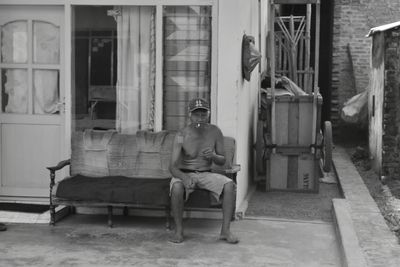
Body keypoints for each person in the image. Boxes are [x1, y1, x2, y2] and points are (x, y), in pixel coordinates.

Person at [169, 98, 239, 244]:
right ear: (189, 115)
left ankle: (225, 231)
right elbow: (172, 167)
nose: (199, 118)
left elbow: (223, 161)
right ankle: (178, 231)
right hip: (185, 172)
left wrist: (213, 156)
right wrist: (184, 178)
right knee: (176, 187)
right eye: (196, 114)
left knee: (230, 185)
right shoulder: (182, 135)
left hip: (206, 173)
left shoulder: (215, 132)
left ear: (208, 114)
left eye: (203, 114)